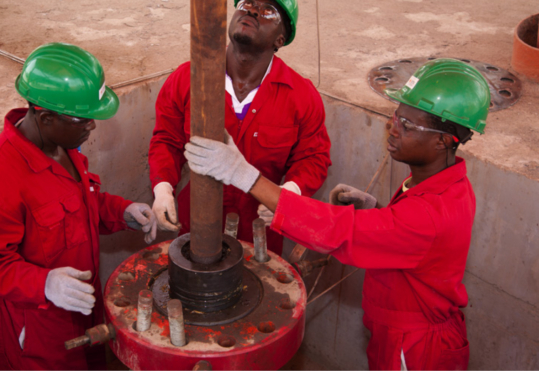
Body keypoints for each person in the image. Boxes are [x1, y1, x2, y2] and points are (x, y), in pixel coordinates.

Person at [184, 58, 490, 370]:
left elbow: (339, 231)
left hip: (416, 350)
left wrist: (244, 175)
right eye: (396, 116)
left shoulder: (429, 214)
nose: (393, 128)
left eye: (407, 125)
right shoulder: (446, 183)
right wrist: (379, 213)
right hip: (399, 331)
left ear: (442, 141)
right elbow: (414, 237)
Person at [0, 43, 157, 370]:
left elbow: (79, 205)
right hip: (36, 332)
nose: (92, 126)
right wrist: (43, 284)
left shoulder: (63, 145)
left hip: (81, 310)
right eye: (84, 119)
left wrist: (122, 212)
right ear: (45, 117)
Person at [148, 0, 331, 254]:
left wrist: (288, 195)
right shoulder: (187, 78)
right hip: (193, 221)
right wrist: (162, 188)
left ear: (280, 39)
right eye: (247, 3)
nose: (253, 11)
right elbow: (167, 139)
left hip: (259, 228)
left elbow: (313, 157)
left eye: (268, 11)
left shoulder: (301, 96)